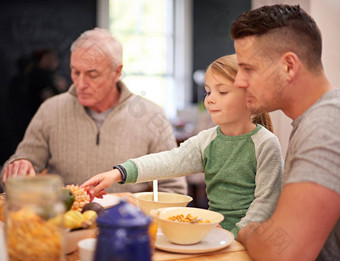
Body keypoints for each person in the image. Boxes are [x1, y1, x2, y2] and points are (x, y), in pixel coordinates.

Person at [81, 54, 284, 238]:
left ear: (251, 99)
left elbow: (265, 203)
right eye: (208, 91)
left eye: (222, 92)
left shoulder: (265, 144)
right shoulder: (207, 140)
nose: (210, 99)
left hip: (251, 238)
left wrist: (235, 234)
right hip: (212, 233)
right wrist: (119, 173)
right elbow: (169, 160)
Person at [1, 28, 187, 195]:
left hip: (128, 226)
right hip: (62, 224)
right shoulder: (51, 109)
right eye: (75, 72)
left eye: (92, 74)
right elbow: (20, 164)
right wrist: (17, 166)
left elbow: (174, 189)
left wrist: (138, 209)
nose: (80, 84)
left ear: (117, 71)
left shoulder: (152, 116)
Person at [230, 4, 340, 260]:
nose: (238, 81)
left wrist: (246, 230)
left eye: (248, 68)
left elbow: (282, 251)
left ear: (289, 66)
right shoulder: (316, 119)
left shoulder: (326, 124)